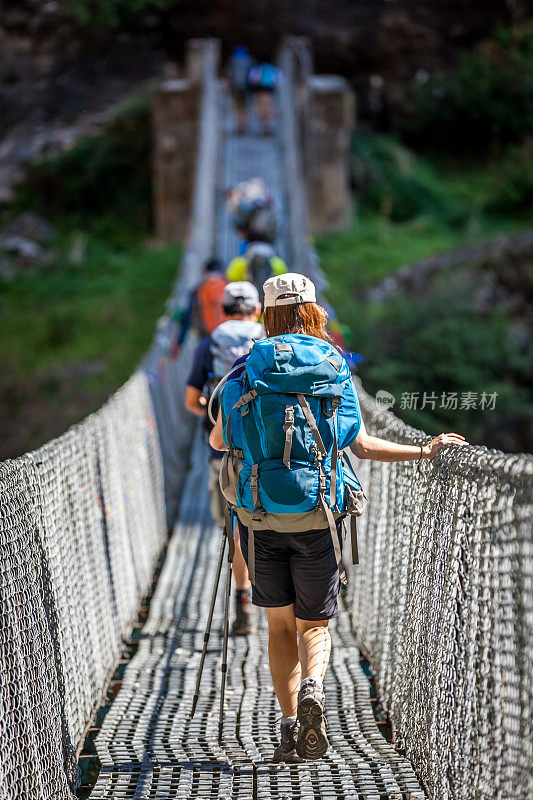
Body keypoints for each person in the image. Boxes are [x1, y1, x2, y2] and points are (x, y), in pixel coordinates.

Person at [209, 272, 468, 762]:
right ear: (313, 311)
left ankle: (288, 728)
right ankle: (313, 687)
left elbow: (220, 443)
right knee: (315, 627)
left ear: (266, 314)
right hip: (319, 518)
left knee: (279, 627)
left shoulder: (243, 372)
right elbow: (362, 446)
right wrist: (424, 450)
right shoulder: (334, 368)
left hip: (260, 520)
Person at [186, 281, 264, 635]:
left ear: (223, 310)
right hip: (267, 450)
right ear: (258, 310)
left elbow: (191, 401)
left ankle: (243, 603)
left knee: (234, 530)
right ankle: (278, 598)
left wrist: (213, 412)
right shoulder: (270, 340)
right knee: (269, 523)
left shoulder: (209, 343)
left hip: (223, 450)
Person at [169, 258, 227, 356]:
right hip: (227, 338)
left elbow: (187, 318)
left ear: (205, 271)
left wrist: (178, 343)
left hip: (207, 338)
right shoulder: (228, 285)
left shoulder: (200, 288)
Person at [247, 61, 280, 135]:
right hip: (270, 92)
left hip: (260, 92)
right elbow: (280, 80)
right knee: (268, 109)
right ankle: (267, 126)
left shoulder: (257, 68)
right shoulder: (273, 68)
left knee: (261, 109)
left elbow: (252, 80)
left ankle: (263, 126)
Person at [227, 45, 252, 134]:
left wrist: (229, 87)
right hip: (246, 88)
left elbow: (229, 74)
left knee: (237, 106)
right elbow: (253, 74)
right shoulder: (249, 60)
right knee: (245, 106)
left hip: (236, 88)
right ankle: (243, 125)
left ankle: (238, 125)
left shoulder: (233, 60)